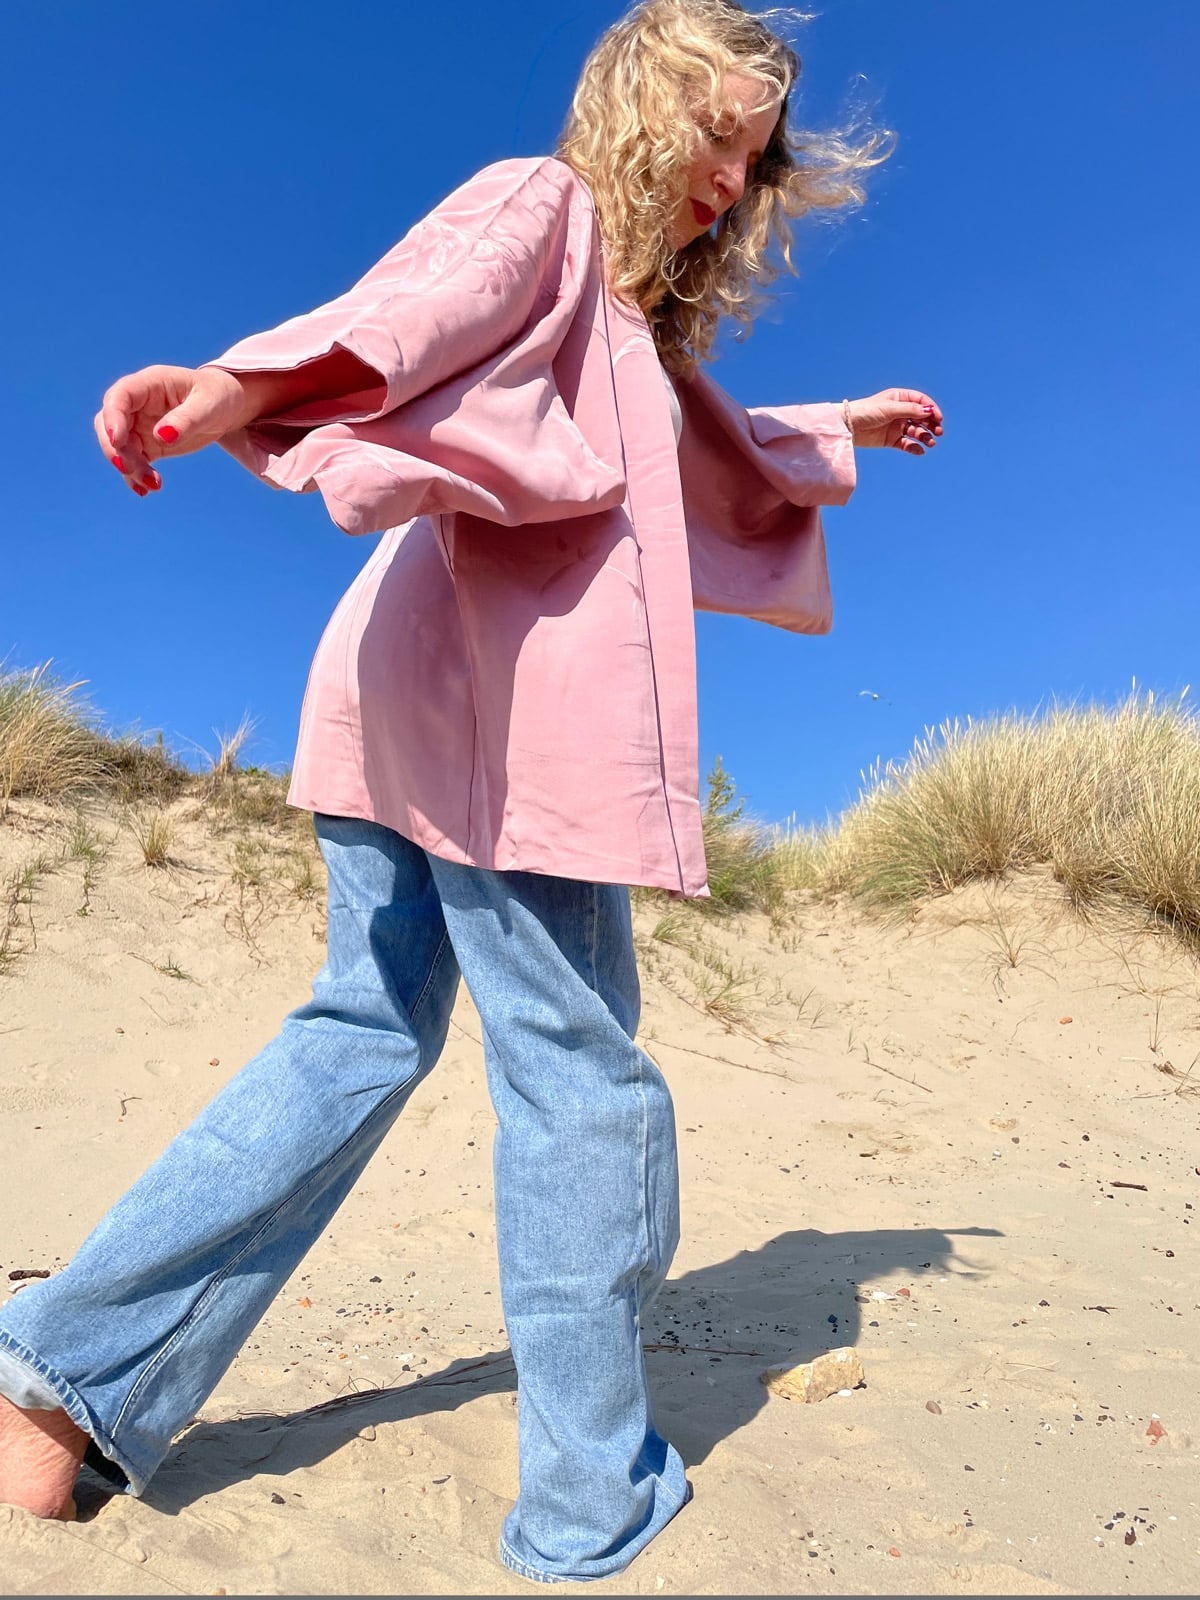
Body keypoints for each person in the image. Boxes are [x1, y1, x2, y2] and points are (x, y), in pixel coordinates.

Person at [0, 0, 942, 1582]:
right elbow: (416, 305)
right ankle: (589, 1492)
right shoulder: (548, 204)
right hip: (506, 719)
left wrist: (838, 422)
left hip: (396, 703)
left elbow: (702, 451)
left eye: (756, 152)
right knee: (581, 1069)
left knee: (359, 1032)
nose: (733, 170)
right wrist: (233, 389)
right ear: (645, 98)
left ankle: (57, 1394)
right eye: (717, 126)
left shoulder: (629, 325)